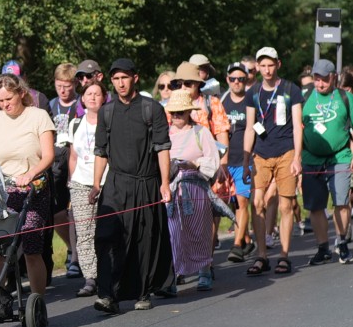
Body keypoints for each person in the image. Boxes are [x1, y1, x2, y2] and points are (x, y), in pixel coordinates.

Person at [90, 60, 173, 314]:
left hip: (146, 182)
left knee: (143, 239)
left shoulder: (152, 109)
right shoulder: (106, 112)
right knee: (107, 236)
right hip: (115, 184)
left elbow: (162, 148)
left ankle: (142, 292)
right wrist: (96, 185)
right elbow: (101, 151)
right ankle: (107, 295)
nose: (120, 83)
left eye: (124, 78)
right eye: (116, 79)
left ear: (134, 78)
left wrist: (165, 183)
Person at [0, 74, 57, 300]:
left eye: (9, 99)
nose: (5, 105)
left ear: (21, 93)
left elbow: (48, 155)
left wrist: (31, 173)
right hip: (2, 193)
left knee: (32, 249)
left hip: (32, 189)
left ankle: (37, 300)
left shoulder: (38, 116)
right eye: (1, 101)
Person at [299, 59, 353, 264]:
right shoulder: (305, 97)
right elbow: (296, 128)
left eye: (324, 80)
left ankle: (342, 242)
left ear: (333, 78)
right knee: (315, 206)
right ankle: (323, 248)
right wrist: (296, 157)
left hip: (340, 157)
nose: (320, 84)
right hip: (311, 157)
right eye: (316, 79)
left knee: (341, 202)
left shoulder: (346, 97)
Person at [244, 48, 303, 276]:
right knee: (257, 202)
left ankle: (284, 255)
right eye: (263, 66)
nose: (267, 70)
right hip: (261, 154)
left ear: (278, 64)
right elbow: (250, 127)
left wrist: (297, 157)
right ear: (257, 67)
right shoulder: (253, 92)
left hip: (286, 151)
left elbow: (297, 125)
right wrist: (246, 160)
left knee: (286, 205)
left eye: (271, 65)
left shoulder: (290, 89)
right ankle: (262, 255)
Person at [163, 91, 222, 290]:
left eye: (180, 112)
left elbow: (213, 160)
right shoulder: (164, 134)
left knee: (199, 231)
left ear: (189, 111)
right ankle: (174, 274)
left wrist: (194, 164)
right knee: (173, 234)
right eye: (173, 112)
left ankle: (204, 270)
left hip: (195, 187)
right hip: (172, 189)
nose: (176, 116)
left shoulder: (200, 132)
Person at [66, 79, 107, 295]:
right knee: (84, 233)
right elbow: (73, 156)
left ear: (104, 98)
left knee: (109, 231)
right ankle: (91, 278)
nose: (92, 97)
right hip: (81, 183)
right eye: (88, 94)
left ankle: (110, 273)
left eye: (97, 93)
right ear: (82, 99)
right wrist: (72, 180)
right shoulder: (75, 124)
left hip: (108, 182)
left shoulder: (110, 121)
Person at [46, 64, 85, 279]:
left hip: (77, 161)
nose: (63, 90)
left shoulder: (81, 103)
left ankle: (79, 257)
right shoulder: (51, 105)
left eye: (67, 86)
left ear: (75, 84)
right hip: (56, 165)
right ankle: (72, 249)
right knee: (57, 212)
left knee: (77, 212)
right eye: (59, 85)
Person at [219, 63, 255, 263]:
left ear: (246, 80)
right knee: (233, 204)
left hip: (245, 160)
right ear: (227, 79)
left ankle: (236, 246)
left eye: (241, 79)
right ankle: (247, 240)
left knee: (242, 201)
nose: (236, 82)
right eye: (233, 79)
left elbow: (259, 128)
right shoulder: (222, 101)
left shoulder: (251, 101)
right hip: (226, 161)